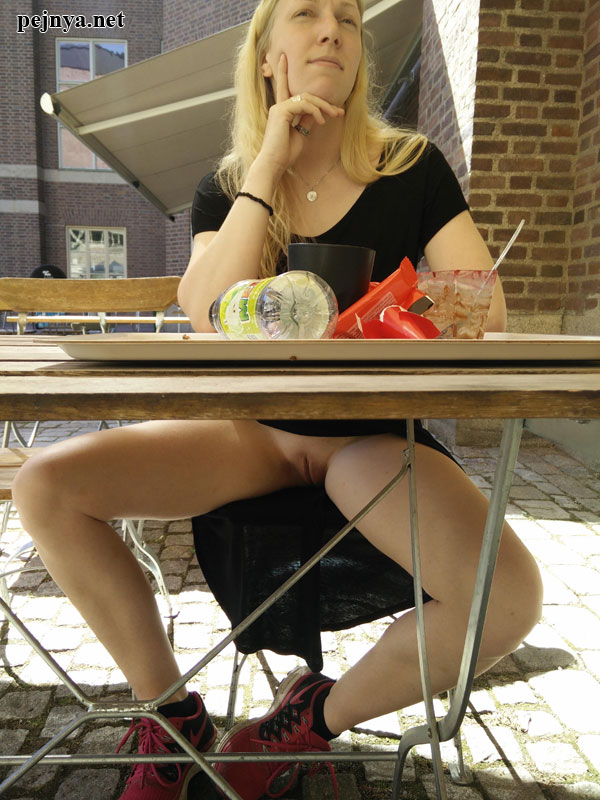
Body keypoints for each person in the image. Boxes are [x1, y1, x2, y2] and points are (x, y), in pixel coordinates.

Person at [12, 1, 543, 799]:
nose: (331, 29)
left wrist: (385, 309)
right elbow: (205, 308)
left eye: (348, 18)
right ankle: (172, 718)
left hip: (369, 439)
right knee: (45, 486)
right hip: (250, 434)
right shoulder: (229, 186)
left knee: (510, 599)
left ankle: (311, 718)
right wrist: (266, 165)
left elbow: (488, 309)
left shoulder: (413, 166)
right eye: (306, 13)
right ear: (266, 55)